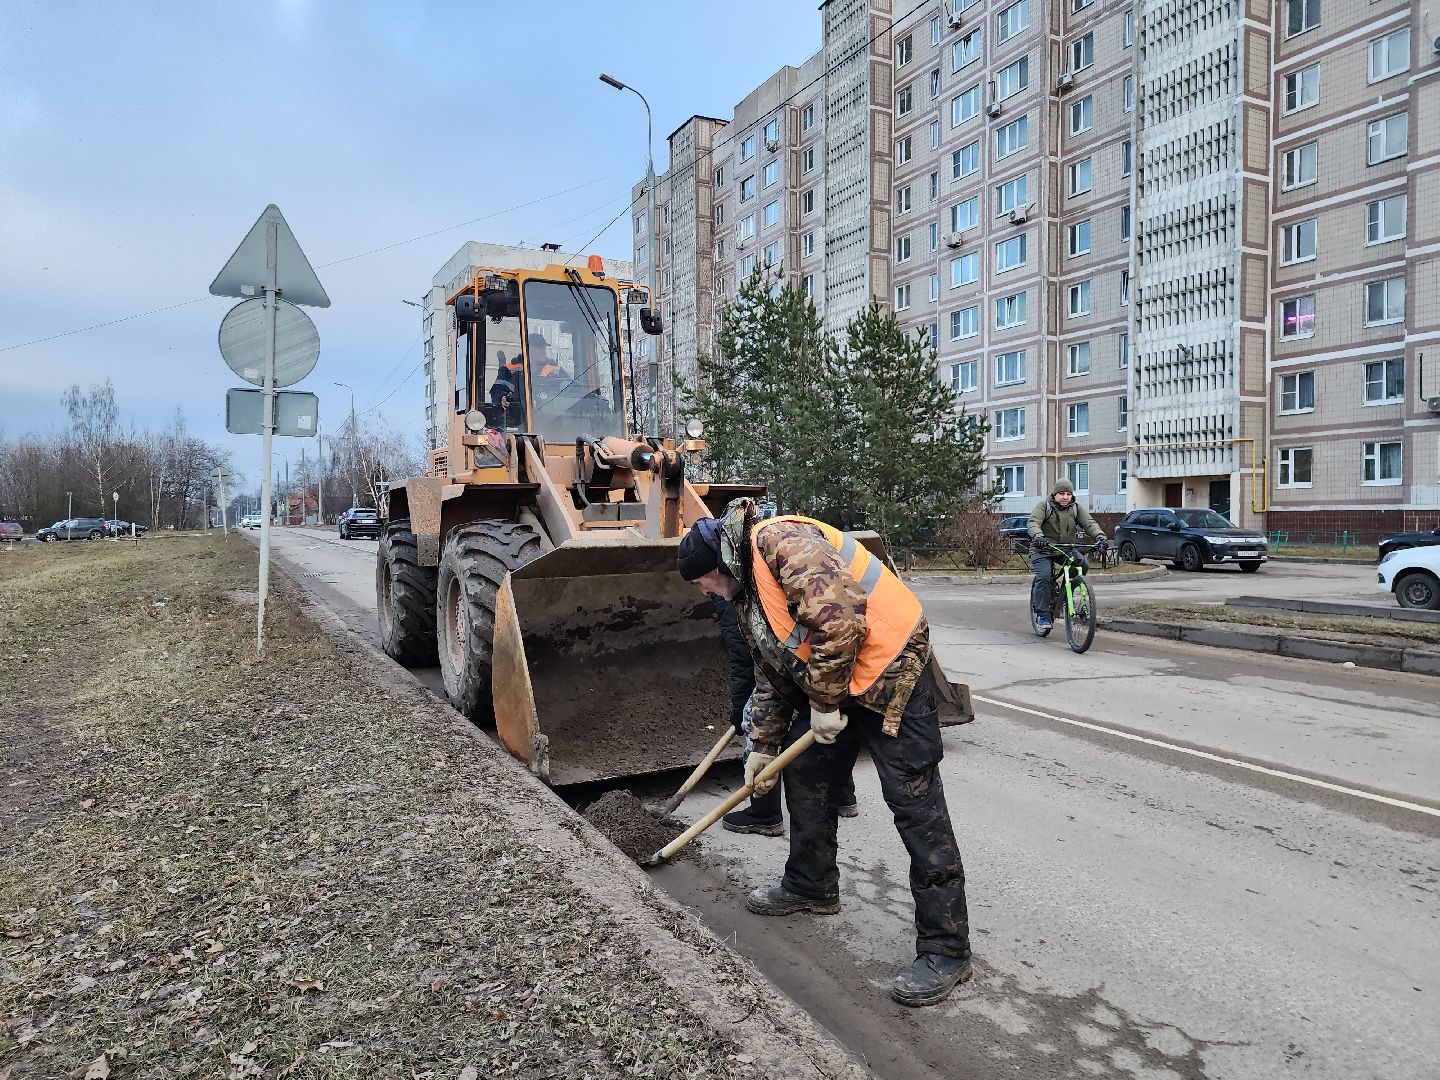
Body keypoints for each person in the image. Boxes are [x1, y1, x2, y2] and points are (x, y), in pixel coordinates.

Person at [677, 500, 972, 1007]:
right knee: (807, 773)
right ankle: (810, 884)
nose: (703, 591)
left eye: (701, 581)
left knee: (915, 807)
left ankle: (947, 947)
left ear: (718, 565)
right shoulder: (746, 587)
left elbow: (841, 621)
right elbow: (773, 668)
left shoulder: (783, 544)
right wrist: (761, 745)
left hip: (892, 672)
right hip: (840, 676)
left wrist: (825, 703)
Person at [712, 596, 857, 838]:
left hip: (794, 665)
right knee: (821, 727)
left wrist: (740, 708)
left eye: (700, 584)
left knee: (754, 717)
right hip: (815, 662)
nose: (703, 591)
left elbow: (743, 656)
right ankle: (842, 794)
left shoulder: (730, 592)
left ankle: (764, 813)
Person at [1026, 478, 1107, 629]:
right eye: (1062, 493)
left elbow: (1089, 523)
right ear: (1055, 494)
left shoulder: (1075, 508)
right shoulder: (1044, 506)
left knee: (1082, 564)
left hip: (1064, 549)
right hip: (1042, 549)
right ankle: (1043, 614)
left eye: (1068, 494)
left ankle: (1064, 592)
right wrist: (1038, 536)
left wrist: (1101, 537)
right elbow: (1033, 522)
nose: (1065, 497)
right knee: (1044, 577)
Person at [488, 347, 526, 425]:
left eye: (542, 348)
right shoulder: (508, 369)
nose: (543, 351)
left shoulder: (550, 368)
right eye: (538, 348)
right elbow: (497, 390)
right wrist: (501, 398)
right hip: (517, 418)